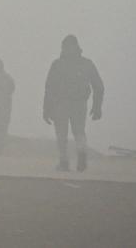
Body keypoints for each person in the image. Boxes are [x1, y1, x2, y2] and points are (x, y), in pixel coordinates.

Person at [43, 34, 104, 172]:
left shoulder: (58, 64)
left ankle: (64, 162)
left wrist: (46, 109)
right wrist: (97, 106)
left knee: (62, 134)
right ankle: (80, 158)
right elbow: (98, 86)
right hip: (77, 104)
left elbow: (49, 88)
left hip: (62, 104)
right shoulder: (86, 63)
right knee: (78, 132)